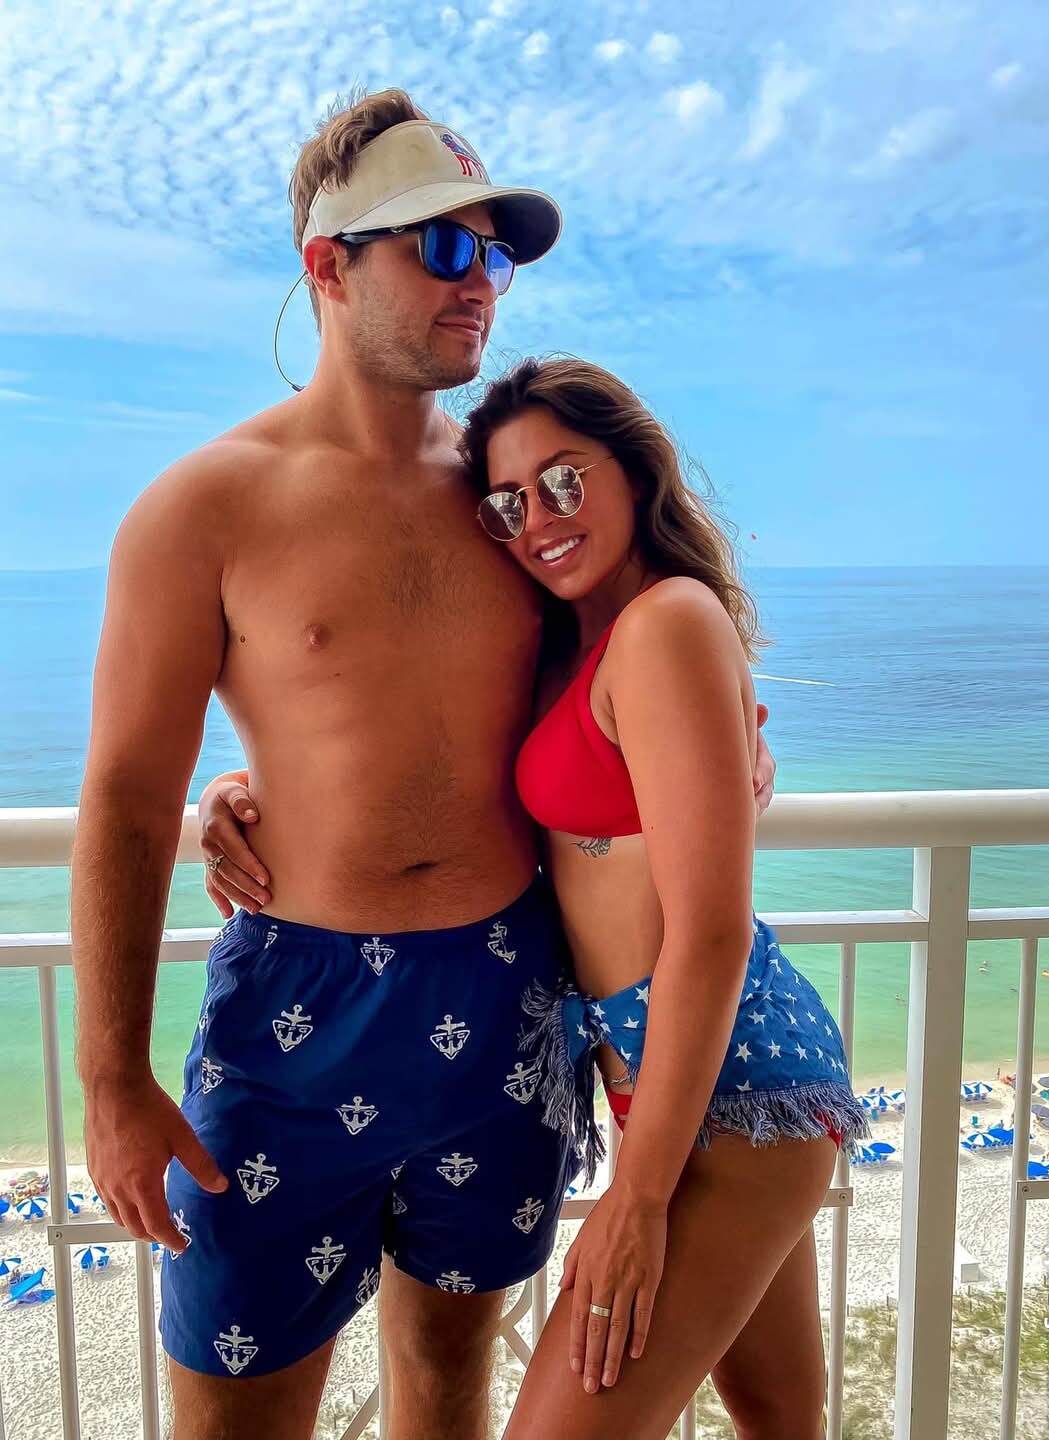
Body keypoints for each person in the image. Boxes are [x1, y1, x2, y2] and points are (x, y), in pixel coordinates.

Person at [69, 87, 779, 1440]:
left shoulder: (508, 505)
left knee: (450, 1375)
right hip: (297, 1010)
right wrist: (111, 1076)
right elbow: (121, 795)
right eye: (443, 248)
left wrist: (731, 737)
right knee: (234, 1408)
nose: (481, 285)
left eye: (494, 255)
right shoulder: (202, 507)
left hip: (504, 993)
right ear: (328, 265)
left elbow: (629, 663)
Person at [204, 357, 867, 1439]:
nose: (540, 520)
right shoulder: (575, 643)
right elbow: (422, 763)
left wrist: (635, 1198)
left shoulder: (667, 621)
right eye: (509, 503)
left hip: (734, 1085)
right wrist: (241, 789)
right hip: (667, 1073)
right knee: (781, 1416)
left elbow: (707, 932)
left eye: (563, 480)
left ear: (635, 470)